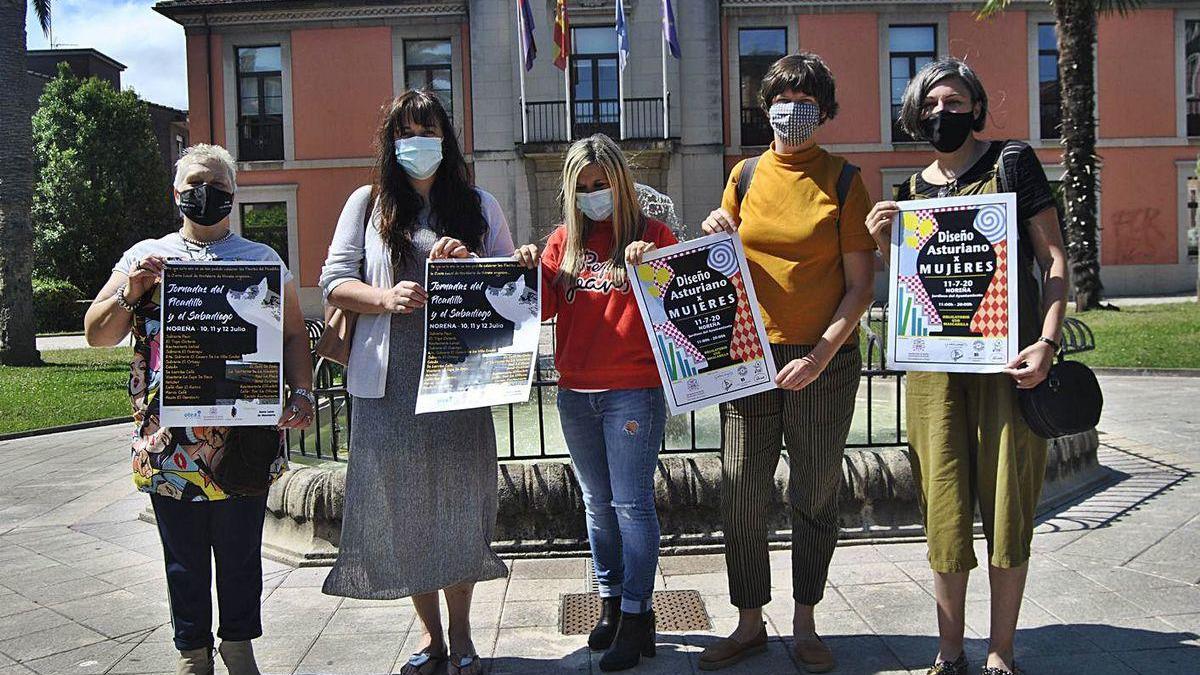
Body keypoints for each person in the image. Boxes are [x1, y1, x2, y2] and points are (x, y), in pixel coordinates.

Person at [865, 58, 1068, 675]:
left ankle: (1000, 651)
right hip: (935, 376)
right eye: (930, 106)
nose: (941, 114)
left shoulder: (1013, 162)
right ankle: (949, 650)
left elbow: (1055, 258)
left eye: (954, 103)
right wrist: (884, 243)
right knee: (944, 510)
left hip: (1010, 366)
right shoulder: (912, 195)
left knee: (1009, 507)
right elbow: (910, 292)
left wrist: (1048, 342)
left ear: (977, 108)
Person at [83, 143, 315, 675]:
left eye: (215, 185)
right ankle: (192, 652)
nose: (203, 193)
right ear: (176, 192)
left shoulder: (261, 260)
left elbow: (294, 334)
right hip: (170, 443)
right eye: (192, 184)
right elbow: (98, 335)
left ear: (233, 195)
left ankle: (238, 645)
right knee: (183, 558)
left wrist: (301, 393)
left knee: (239, 554)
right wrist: (133, 289)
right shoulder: (146, 256)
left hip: (244, 438)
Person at [318, 90, 521, 675]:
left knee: (459, 509)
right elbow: (334, 282)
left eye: (427, 129)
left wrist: (470, 264)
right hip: (389, 385)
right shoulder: (368, 205)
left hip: (460, 380)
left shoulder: (479, 205)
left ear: (445, 137)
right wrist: (383, 298)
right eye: (405, 131)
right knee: (406, 513)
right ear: (391, 142)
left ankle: (462, 638)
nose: (417, 142)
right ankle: (432, 638)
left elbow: (511, 283)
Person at [697, 53, 876, 673]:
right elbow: (721, 266)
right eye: (782, 95)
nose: (791, 107)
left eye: (806, 99)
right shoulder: (743, 175)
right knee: (742, 485)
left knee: (815, 487)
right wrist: (716, 227)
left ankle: (805, 621)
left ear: (823, 111)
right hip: (748, 355)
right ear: (764, 104)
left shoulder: (846, 180)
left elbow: (860, 287)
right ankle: (749, 620)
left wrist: (822, 354)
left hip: (825, 359)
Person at [513, 134, 678, 672]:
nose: (593, 193)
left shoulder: (654, 235)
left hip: (633, 390)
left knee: (632, 505)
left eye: (601, 183)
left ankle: (637, 614)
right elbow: (535, 312)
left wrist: (656, 266)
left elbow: (683, 307)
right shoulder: (565, 242)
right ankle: (610, 602)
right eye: (582, 186)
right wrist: (527, 267)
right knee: (598, 505)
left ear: (621, 182)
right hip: (575, 393)